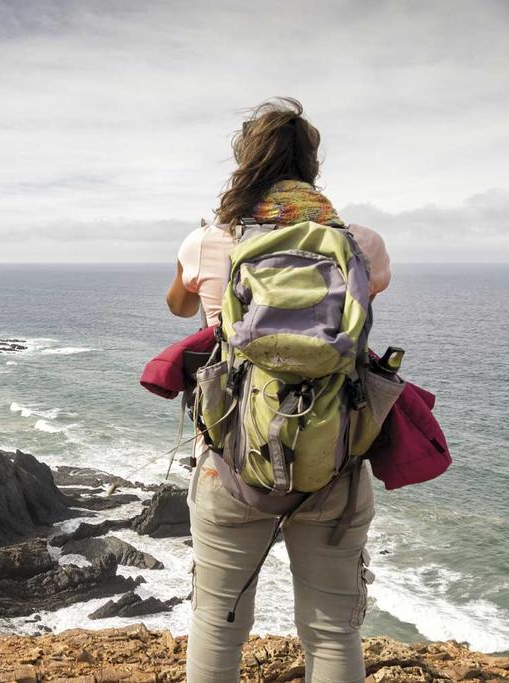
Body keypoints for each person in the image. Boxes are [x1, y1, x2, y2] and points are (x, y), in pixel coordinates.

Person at [166, 98, 392, 683]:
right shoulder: (360, 243)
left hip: (230, 459)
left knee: (216, 623)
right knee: (332, 630)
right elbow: (358, 313)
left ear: (245, 160)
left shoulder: (209, 241)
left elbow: (179, 305)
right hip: (332, 457)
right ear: (311, 164)